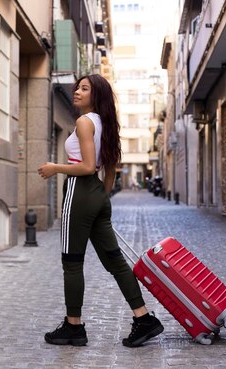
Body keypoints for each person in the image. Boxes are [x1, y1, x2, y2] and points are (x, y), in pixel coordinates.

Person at [38, 74, 164, 347]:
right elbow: (111, 164)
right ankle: (144, 318)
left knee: (72, 263)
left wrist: (54, 168)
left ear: (97, 96)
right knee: (115, 261)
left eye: (85, 89)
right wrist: (102, 196)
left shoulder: (84, 122)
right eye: (78, 87)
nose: (77, 91)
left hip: (79, 191)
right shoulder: (103, 124)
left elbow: (86, 165)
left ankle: (74, 327)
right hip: (96, 194)